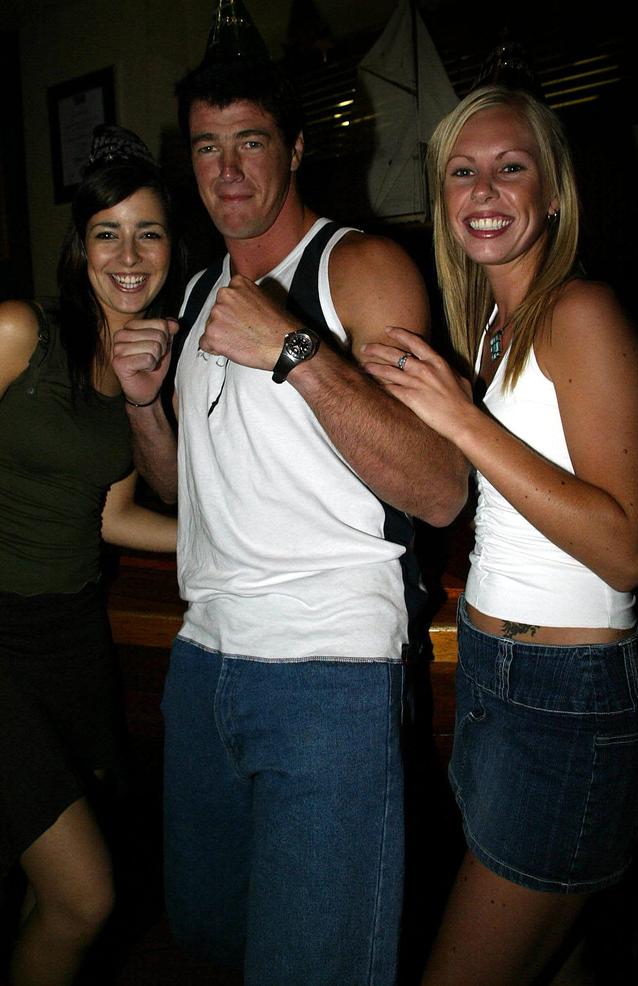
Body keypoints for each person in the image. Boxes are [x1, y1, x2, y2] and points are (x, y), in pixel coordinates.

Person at [111, 55, 468, 986]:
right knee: (211, 940)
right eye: (206, 148)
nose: (227, 171)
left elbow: (439, 488)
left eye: (251, 143)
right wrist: (147, 405)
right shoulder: (193, 297)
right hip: (204, 670)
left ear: (297, 147)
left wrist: (296, 350)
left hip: (327, 677)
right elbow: (185, 495)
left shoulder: (359, 267)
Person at [362, 84, 638, 986]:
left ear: (552, 192)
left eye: (510, 168)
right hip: (496, 673)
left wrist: (460, 415)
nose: (484, 190)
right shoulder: (488, 327)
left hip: (565, 700)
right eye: (463, 171)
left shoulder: (580, 312)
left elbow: (629, 547)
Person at [0, 124, 182, 986]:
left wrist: (237, 536)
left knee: (45, 896)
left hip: (71, 643)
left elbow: (112, 518)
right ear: (81, 248)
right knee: (85, 897)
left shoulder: (139, 367)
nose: (129, 252)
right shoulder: (18, 332)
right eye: (108, 231)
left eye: (148, 230)